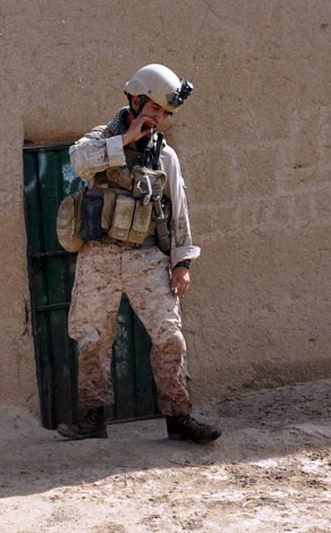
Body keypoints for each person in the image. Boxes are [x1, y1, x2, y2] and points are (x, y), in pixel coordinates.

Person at [57, 64, 221, 444]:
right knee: (93, 339)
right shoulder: (100, 141)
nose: (159, 120)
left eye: (165, 114)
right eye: (155, 110)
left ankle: (179, 417)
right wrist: (126, 140)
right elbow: (79, 162)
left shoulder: (165, 157)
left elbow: (178, 210)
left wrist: (182, 262)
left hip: (147, 259)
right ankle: (92, 418)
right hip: (99, 256)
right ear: (135, 101)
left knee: (169, 336)